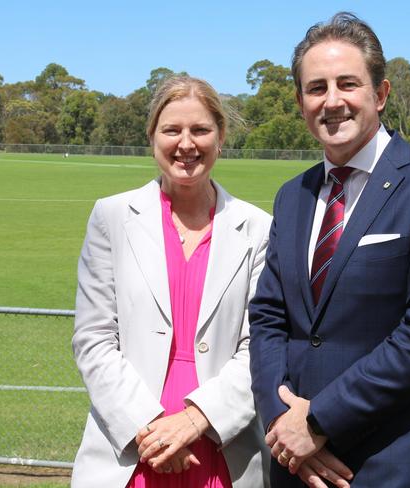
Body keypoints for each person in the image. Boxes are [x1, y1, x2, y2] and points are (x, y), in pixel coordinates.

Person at [249, 12, 410, 488]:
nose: (332, 101)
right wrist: (280, 418)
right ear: (300, 102)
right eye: (316, 88)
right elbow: (269, 316)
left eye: (347, 83)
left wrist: (319, 420)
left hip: (396, 460)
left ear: (380, 93)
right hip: (296, 465)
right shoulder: (291, 196)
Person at [71, 75, 272, 488]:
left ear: (220, 137)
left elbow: (262, 347)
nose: (186, 144)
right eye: (172, 130)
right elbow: (93, 338)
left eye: (200, 130)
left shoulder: (258, 229)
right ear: (152, 137)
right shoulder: (111, 217)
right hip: (131, 448)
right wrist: (152, 429)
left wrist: (195, 420)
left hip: (220, 447)